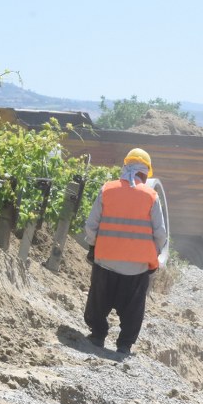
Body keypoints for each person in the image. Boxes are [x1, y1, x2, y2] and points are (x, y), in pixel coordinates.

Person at [82, 147, 166, 357]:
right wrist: (152, 254)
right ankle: (124, 345)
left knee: (99, 301)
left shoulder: (107, 189)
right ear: (145, 172)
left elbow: (91, 226)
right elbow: (161, 234)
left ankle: (97, 336)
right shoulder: (151, 196)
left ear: (126, 166)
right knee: (133, 309)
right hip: (136, 268)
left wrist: (95, 246)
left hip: (105, 261)